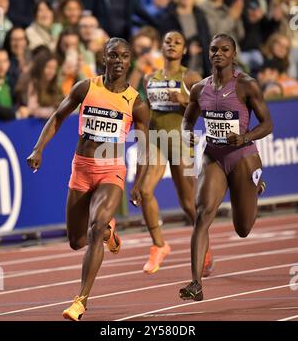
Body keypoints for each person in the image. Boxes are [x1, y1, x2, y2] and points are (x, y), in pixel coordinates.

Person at [27, 37, 150, 320]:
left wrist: (139, 182)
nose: (118, 61)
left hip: (112, 170)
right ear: (103, 58)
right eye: (113, 55)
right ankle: (109, 233)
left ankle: (80, 300)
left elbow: (145, 147)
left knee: (94, 228)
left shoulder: (136, 102)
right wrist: (38, 148)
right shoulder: (86, 87)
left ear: (129, 61)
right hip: (81, 168)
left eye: (124, 56)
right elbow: (57, 117)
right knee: (76, 240)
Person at [179, 33, 273, 301]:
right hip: (214, 157)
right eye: (213, 49)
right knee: (202, 214)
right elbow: (187, 121)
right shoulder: (199, 89)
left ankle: (253, 187)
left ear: (233, 54)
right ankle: (195, 283)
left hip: (243, 157)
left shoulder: (246, 85)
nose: (218, 53)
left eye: (224, 49)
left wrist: (245, 137)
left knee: (243, 229)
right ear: (208, 54)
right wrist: (187, 134)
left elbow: (268, 124)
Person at [140, 30, 213, 275]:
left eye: (177, 42)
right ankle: (159, 245)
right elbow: (147, 114)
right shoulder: (149, 78)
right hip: (157, 140)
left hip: (181, 142)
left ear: (184, 50)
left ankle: (205, 247)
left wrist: (185, 100)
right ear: (161, 47)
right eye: (167, 41)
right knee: (144, 190)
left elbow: (211, 109)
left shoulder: (191, 77)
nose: (172, 45)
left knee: (188, 204)